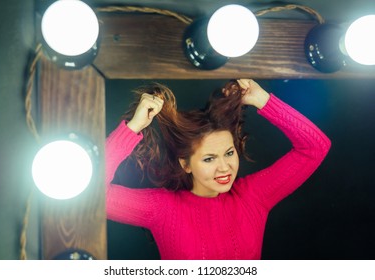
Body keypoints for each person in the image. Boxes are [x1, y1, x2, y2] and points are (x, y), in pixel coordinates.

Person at [105, 79, 331, 260]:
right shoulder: (162, 208)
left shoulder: (253, 196)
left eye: (229, 153)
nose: (225, 167)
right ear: (186, 164)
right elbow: (93, 196)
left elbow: (315, 147)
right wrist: (133, 127)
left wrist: (262, 100)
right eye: (209, 158)